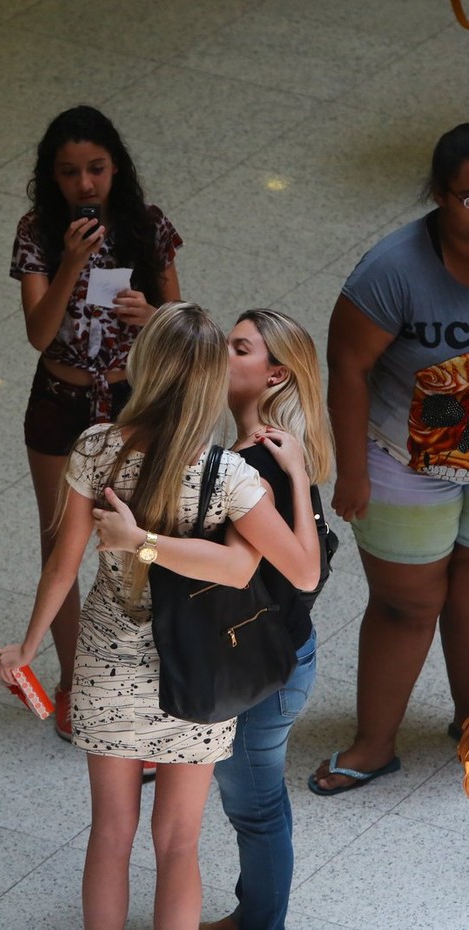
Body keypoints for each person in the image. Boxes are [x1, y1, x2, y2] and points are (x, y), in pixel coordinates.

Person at [0, 302, 320, 930]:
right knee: (178, 844)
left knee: (110, 834)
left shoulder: (95, 449)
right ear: (206, 379)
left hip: (106, 663)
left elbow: (61, 568)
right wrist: (298, 479)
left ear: (141, 365)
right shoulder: (230, 474)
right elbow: (296, 570)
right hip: (200, 672)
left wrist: (28, 648)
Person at [97, 309, 334, 930]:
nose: (222, 356)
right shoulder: (272, 453)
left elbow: (264, 569)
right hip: (280, 647)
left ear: (276, 375)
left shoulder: (249, 466)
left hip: (253, 658)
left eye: (239, 348)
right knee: (250, 805)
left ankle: (259, 922)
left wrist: (139, 541)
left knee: (253, 809)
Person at [9, 105, 182, 741]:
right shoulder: (37, 232)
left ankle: (147, 680)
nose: (85, 184)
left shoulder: (147, 226)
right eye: (70, 173)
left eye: (97, 169)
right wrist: (71, 267)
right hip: (61, 396)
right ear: (50, 178)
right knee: (61, 544)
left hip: (133, 399)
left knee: (146, 539)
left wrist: (152, 315)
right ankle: (73, 678)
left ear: (117, 167)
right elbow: (36, 332)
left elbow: (180, 318)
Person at [309, 122, 469, 797]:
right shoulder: (393, 269)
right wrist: (349, 469)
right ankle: (374, 745)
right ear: (438, 195)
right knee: (409, 605)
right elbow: (347, 365)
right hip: (403, 458)